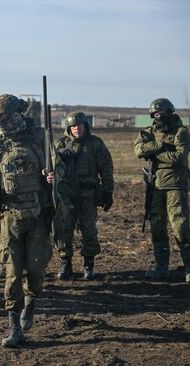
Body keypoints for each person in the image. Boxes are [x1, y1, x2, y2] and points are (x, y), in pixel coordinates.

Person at [0, 94, 54, 348]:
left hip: (37, 216)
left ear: (15, 115)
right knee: (12, 273)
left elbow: (59, 167)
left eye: (2, 116)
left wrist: (53, 175)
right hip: (9, 219)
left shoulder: (39, 138)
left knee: (35, 270)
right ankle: (15, 328)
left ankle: (31, 305)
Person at [134, 98, 190, 283]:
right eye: (155, 114)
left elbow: (178, 157)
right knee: (157, 226)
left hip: (176, 185)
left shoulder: (181, 132)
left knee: (180, 225)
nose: (158, 116)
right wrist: (159, 146)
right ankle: (161, 267)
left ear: (169, 112)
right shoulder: (148, 132)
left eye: (161, 113)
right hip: (155, 185)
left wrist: (155, 154)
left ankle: (189, 267)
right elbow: (139, 149)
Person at [54, 111, 114, 280]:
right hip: (66, 195)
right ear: (68, 128)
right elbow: (50, 168)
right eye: (73, 126)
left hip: (88, 194)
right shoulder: (60, 144)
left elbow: (106, 168)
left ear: (85, 126)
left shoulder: (95, 144)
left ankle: (89, 265)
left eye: (79, 125)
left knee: (89, 229)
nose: (77, 129)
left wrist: (108, 191)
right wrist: (59, 158)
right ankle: (66, 264)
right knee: (64, 229)